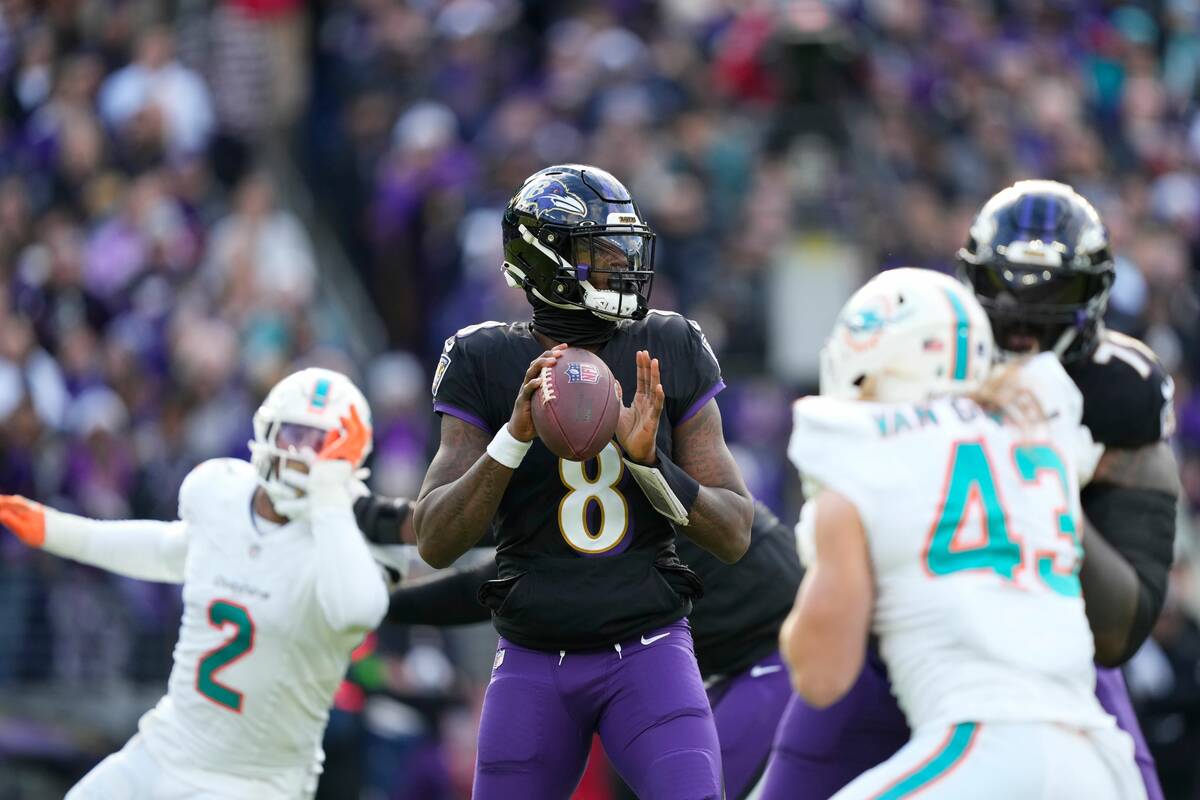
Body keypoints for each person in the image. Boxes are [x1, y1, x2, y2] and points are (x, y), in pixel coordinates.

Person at [760, 181, 1177, 800]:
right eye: (1005, 290)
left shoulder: (1110, 393)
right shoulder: (1031, 407)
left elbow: (1120, 631)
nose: (1024, 319)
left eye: (1052, 294)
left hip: (1033, 671)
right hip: (1038, 716)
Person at [411, 164, 754, 799]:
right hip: (533, 659)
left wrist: (651, 463)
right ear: (546, 262)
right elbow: (434, 539)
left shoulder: (668, 344)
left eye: (623, 247)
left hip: (650, 649)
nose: (621, 265)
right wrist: (511, 439)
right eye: (600, 251)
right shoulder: (483, 358)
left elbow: (734, 531)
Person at [0, 368, 389, 799]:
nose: (301, 454)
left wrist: (331, 504)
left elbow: (358, 611)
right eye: (293, 434)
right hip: (167, 747)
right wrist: (53, 530)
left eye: (320, 443)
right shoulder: (222, 497)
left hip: (256, 782)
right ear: (268, 431)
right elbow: (166, 550)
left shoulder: (344, 544)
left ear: (348, 456)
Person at [355, 497, 802, 799]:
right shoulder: (606, 468)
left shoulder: (630, 477)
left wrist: (377, 599)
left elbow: (480, 555)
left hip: (780, 660)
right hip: (735, 664)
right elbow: (479, 531)